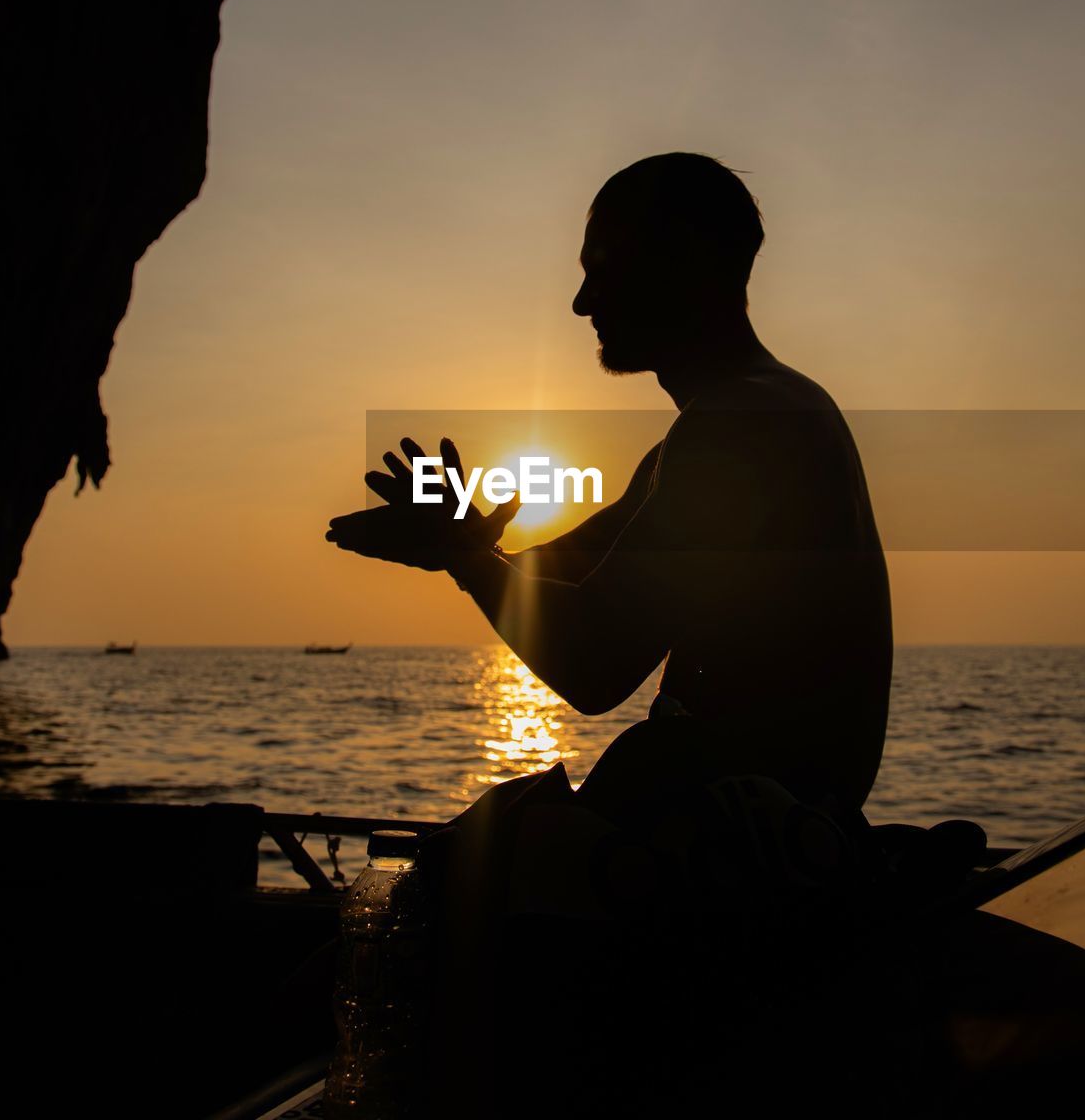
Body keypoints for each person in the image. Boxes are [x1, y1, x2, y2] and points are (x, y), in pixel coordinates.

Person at [326, 153, 894, 1114]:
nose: (583, 302)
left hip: (748, 842)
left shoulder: (737, 432)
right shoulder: (739, 422)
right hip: (761, 816)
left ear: (693, 262)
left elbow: (592, 662)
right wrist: (463, 543)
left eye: (605, 265)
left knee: (420, 914)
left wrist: (466, 560)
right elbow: (572, 571)